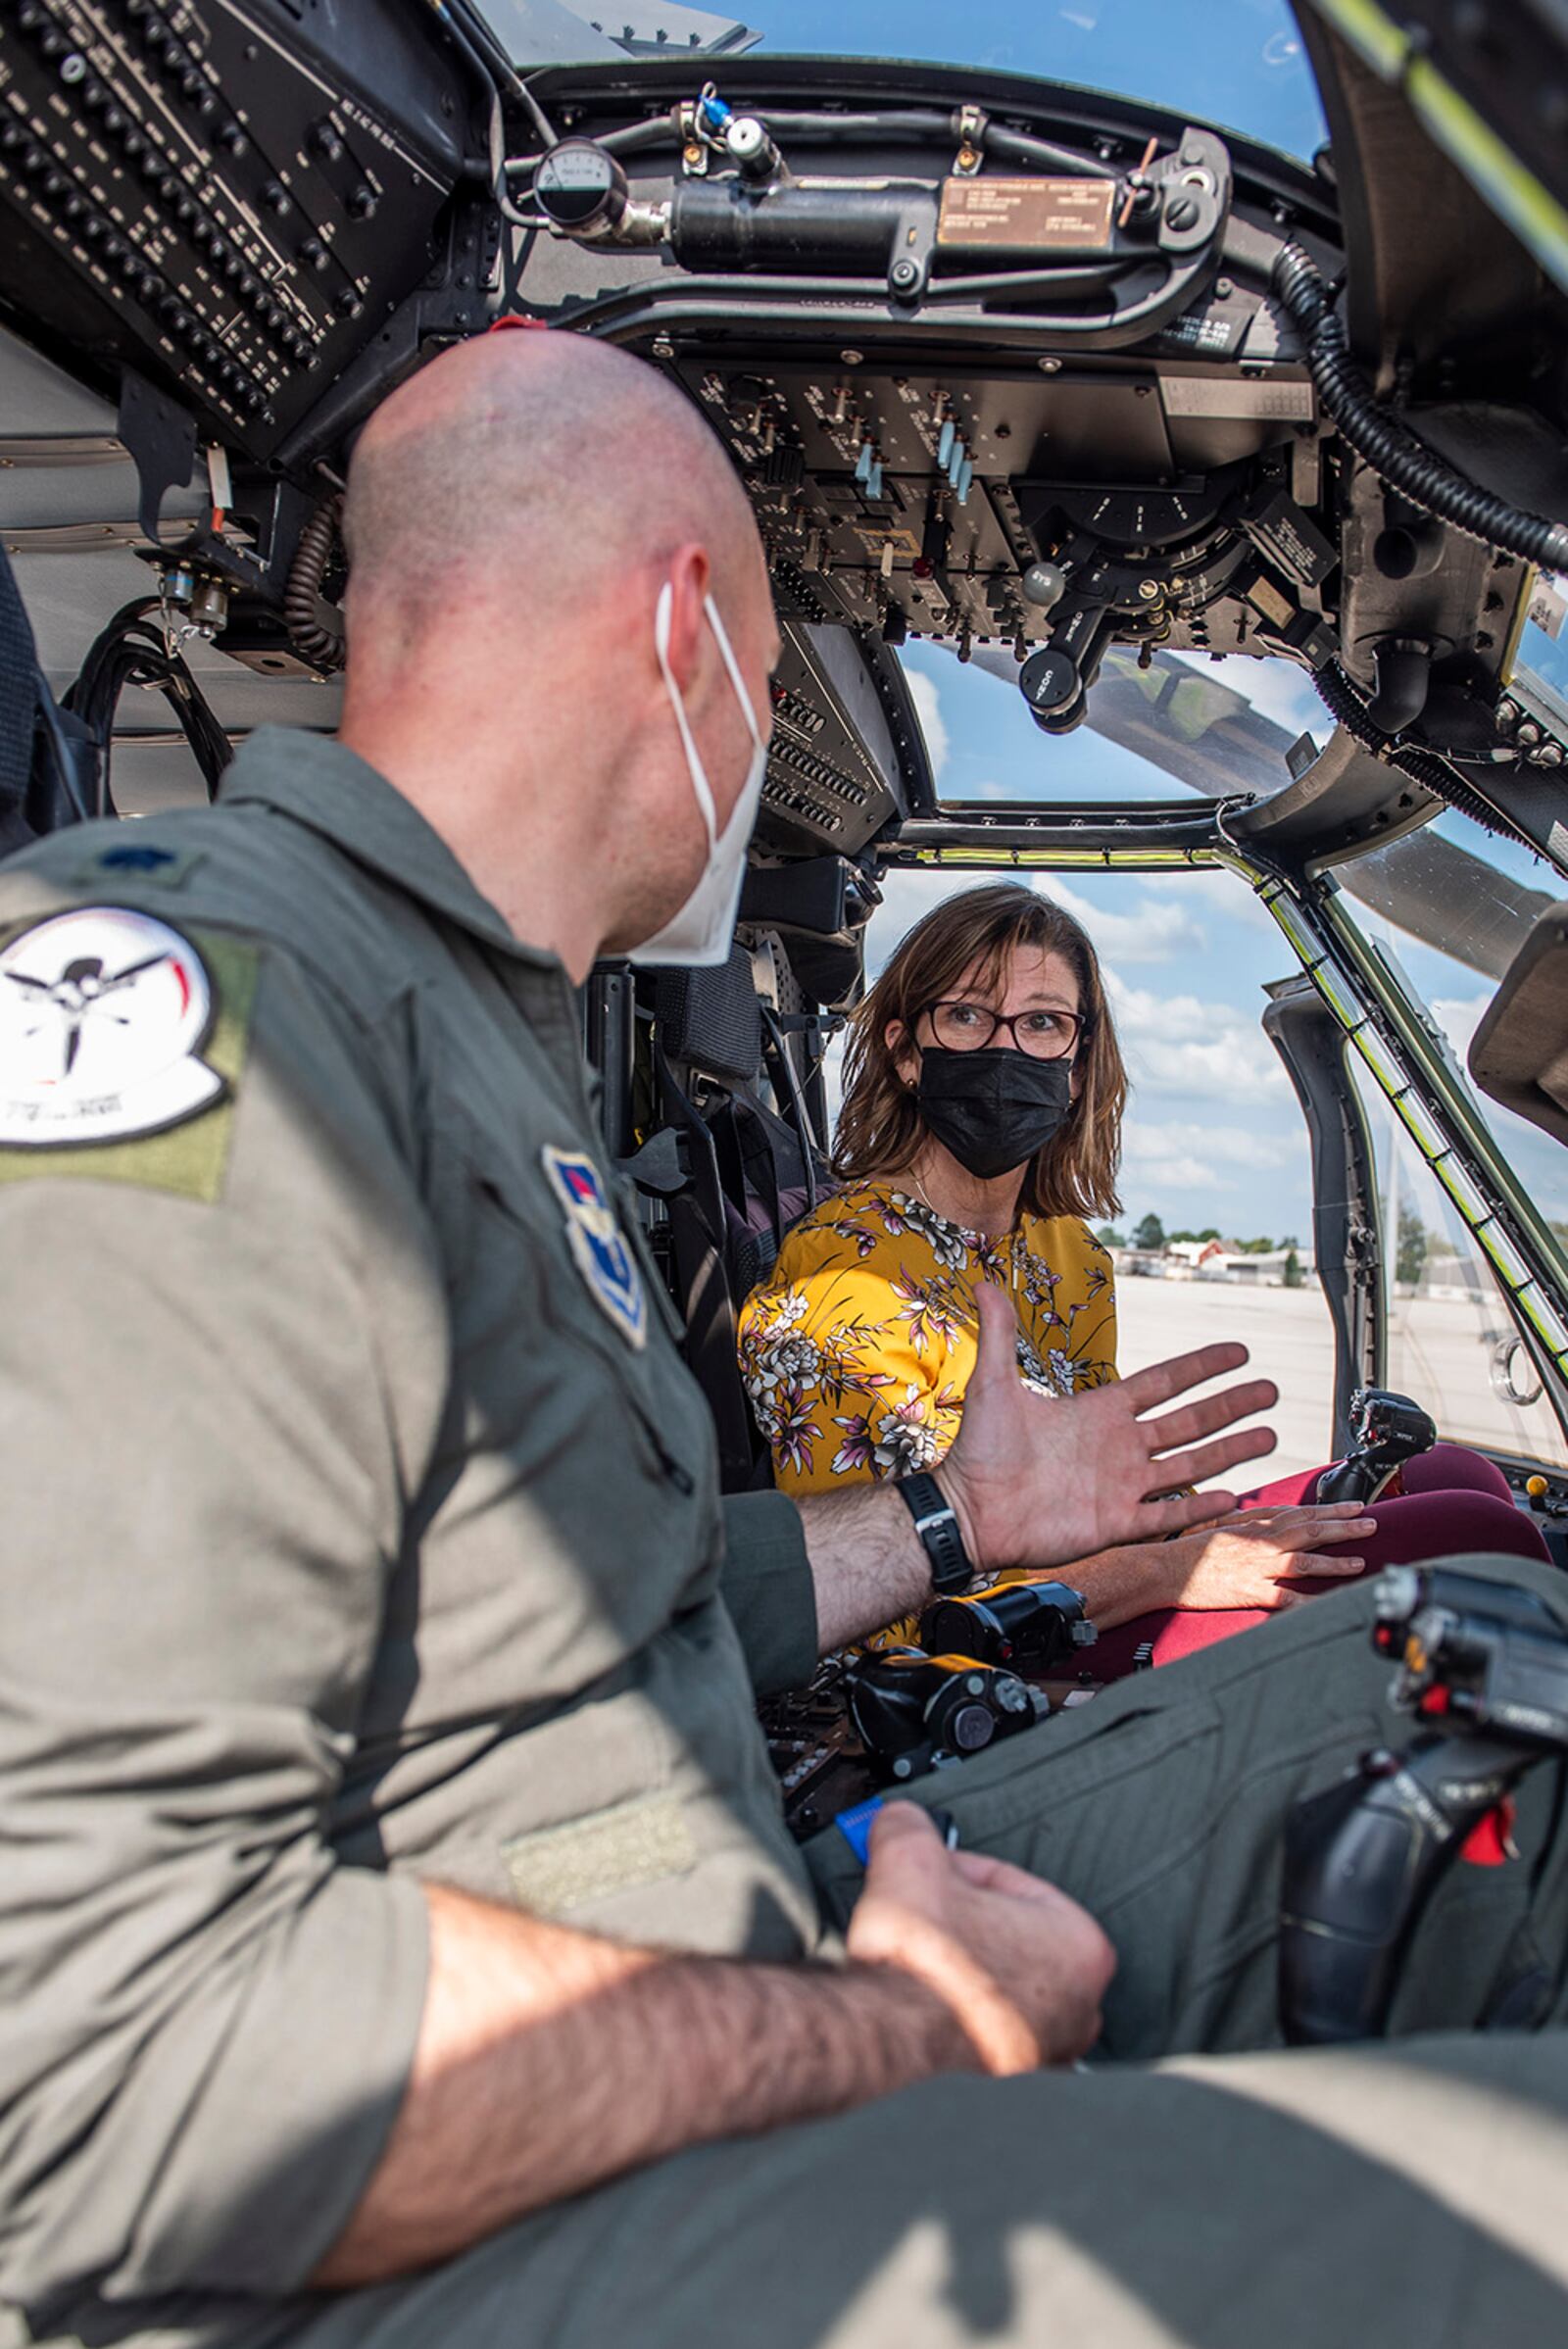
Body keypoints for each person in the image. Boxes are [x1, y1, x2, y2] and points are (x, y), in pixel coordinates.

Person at [0, 327, 1566, 2349]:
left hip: (704, 1892)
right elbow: (86, 2055)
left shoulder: (474, 1028)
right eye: (762, 667)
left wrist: (956, 1510)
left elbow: (557, 1596)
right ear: (685, 634)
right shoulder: (195, 1008)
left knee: (1470, 1678)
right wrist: (879, 2029)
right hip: (440, 2224)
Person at [741, 882, 1547, 1666]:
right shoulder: (844, 1281)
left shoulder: (1069, 1255)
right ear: (905, 1051)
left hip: (1112, 1575)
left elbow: (1104, 1495)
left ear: (1079, 1065)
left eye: (1044, 1023)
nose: (1005, 1048)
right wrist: (1179, 1569)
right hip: (1000, 1657)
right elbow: (881, 1633)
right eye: (965, 1015)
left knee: (1450, 1474)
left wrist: (1187, 1542)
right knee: (1483, 1537)